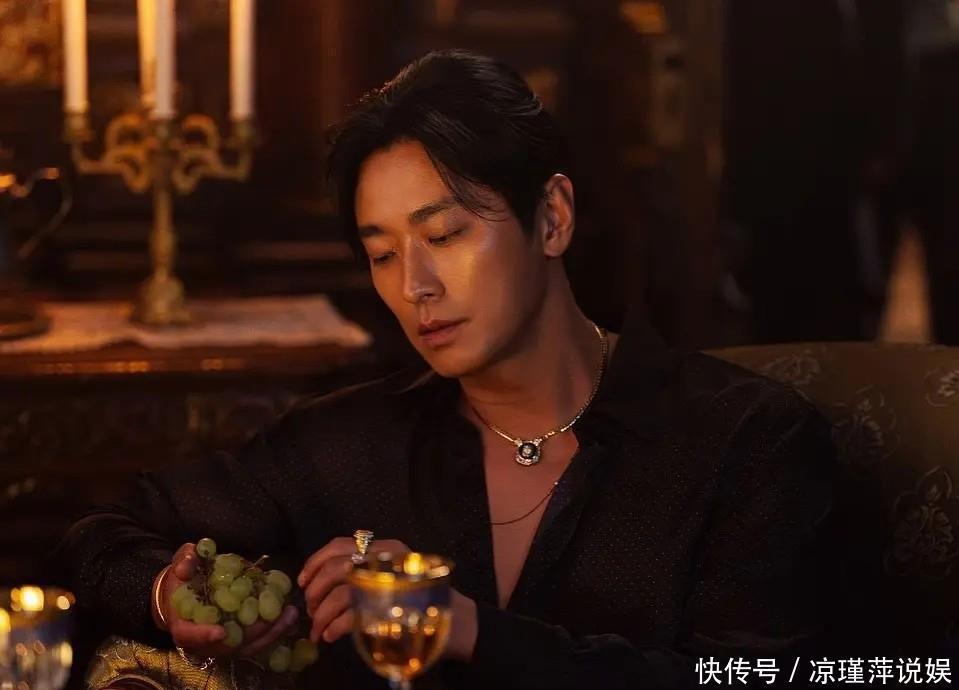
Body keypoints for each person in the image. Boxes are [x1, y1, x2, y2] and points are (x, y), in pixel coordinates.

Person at [60, 50, 836, 690]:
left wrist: (466, 629)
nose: (414, 286)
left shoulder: (743, 440)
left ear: (552, 218)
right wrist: (164, 594)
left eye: (444, 235)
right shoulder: (350, 445)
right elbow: (96, 536)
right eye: (382, 254)